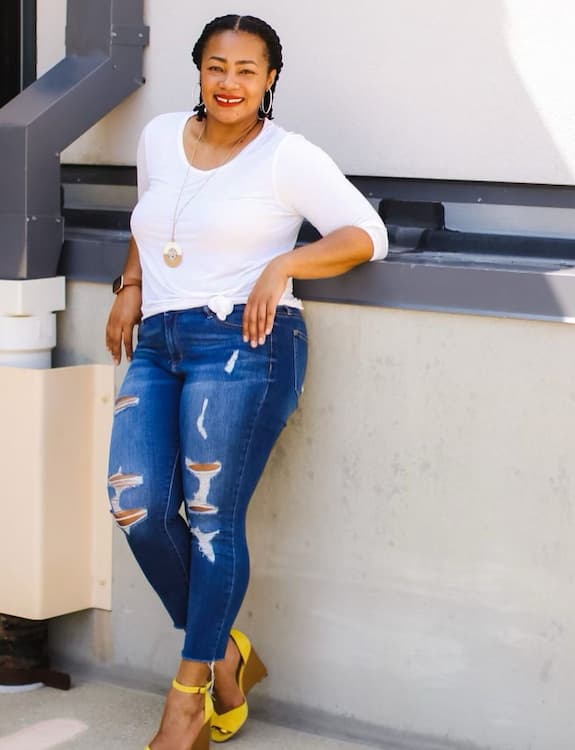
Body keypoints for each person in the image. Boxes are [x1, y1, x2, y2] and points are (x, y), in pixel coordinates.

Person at [105, 13, 388, 750]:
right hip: (159, 342)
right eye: (216, 67)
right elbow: (150, 219)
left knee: (208, 517)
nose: (230, 83)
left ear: (269, 80)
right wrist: (130, 287)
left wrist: (284, 264)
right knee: (135, 503)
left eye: (247, 70)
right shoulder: (159, 136)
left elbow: (365, 234)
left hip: (245, 342)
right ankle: (227, 653)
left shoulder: (287, 157)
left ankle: (189, 696)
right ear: (198, 71)